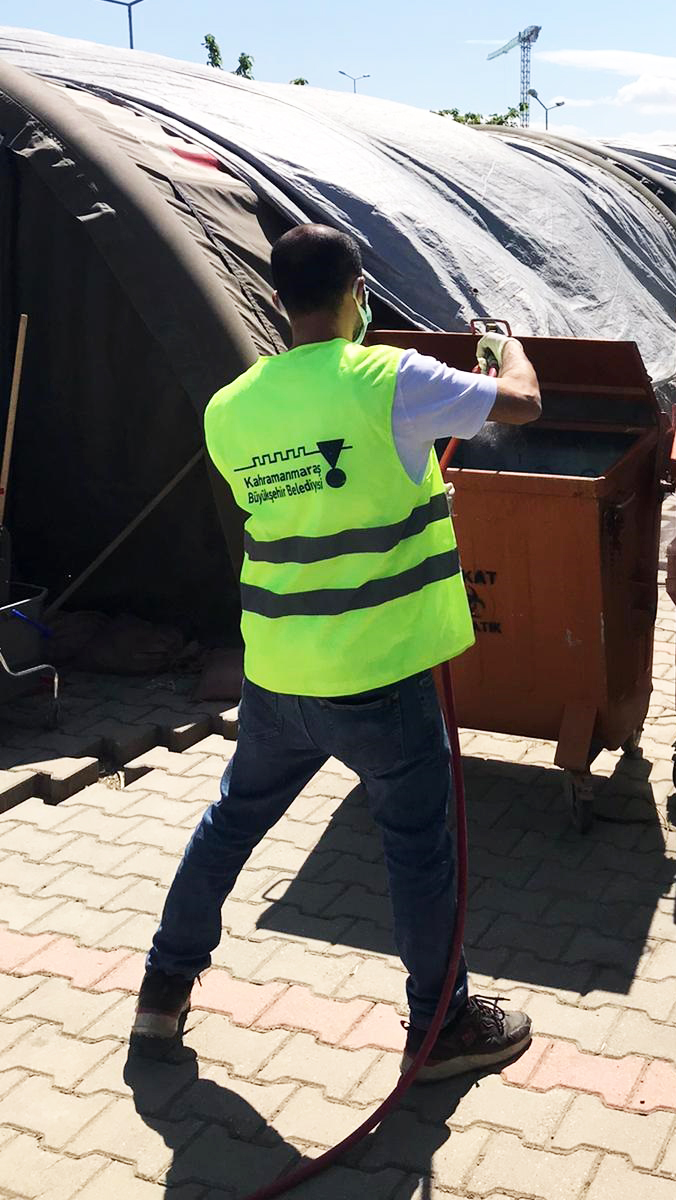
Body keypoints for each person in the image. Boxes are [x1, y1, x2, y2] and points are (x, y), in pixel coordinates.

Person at [130, 224, 541, 1081]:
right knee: (418, 849)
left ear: (279, 299)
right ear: (358, 293)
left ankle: (162, 991)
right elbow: (523, 403)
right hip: (378, 677)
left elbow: (313, 504)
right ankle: (442, 1028)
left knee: (230, 824)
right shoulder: (388, 377)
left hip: (279, 674)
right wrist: (505, 345)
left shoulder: (229, 406)